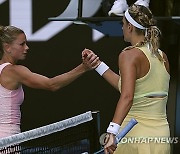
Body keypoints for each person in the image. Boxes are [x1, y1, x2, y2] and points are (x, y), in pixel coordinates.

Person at [83, 4, 170, 154]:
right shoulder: (162, 56)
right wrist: (98, 65)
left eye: (122, 24)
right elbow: (130, 89)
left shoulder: (129, 55)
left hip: (134, 136)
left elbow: (127, 96)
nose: (122, 28)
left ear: (130, 27)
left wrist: (112, 132)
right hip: (161, 137)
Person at [0, 25, 99, 138]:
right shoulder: (15, 71)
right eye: (22, 44)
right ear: (7, 47)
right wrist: (84, 67)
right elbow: (51, 84)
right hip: (8, 141)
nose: (27, 48)